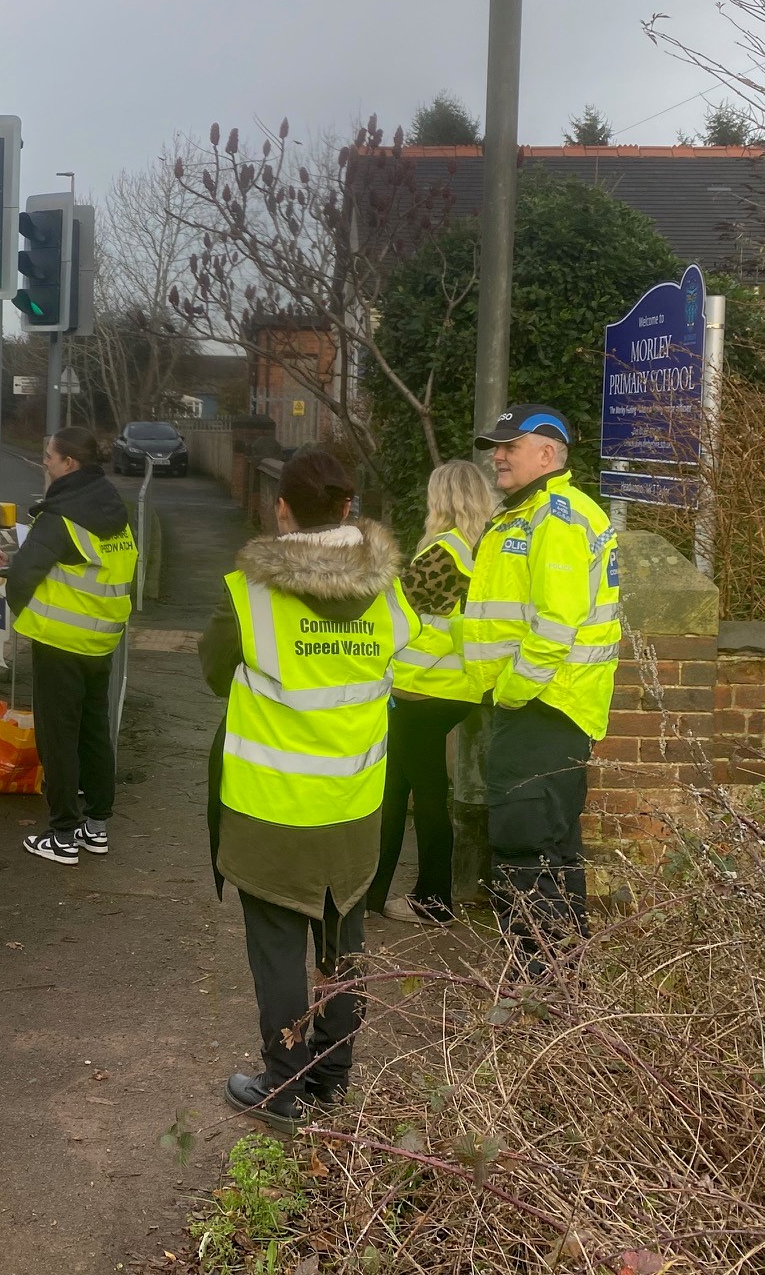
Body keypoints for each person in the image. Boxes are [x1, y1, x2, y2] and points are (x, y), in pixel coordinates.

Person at [197, 448, 406, 1129]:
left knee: (279, 948)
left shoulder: (248, 594)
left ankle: (283, 1086)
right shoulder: (388, 592)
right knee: (345, 943)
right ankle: (334, 1077)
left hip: (271, 812)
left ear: (281, 509)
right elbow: (405, 652)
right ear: (348, 508)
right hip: (352, 807)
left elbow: (211, 671)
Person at [462, 403, 621, 971]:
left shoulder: (554, 516)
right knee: (550, 851)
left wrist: (509, 691)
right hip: (541, 708)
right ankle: (562, 997)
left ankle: (540, 992)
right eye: (495, 447)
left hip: (543, 708)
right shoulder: (527, 513)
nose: (497, 456)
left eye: (510, 446)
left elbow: (555, 625)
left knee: (526, 850)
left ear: (548, 453)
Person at [0, 425, 137, 866]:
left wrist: (24, 610)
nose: (45, 465)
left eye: (49, 459)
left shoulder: (61, 516)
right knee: (94, 731)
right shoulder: (111, 505)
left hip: (60, 642)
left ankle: (61, 834)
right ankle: (96, 827)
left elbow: (23, 578)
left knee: (58, 737)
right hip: (102, 638)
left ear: (69, 464)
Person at [370, 459, 498, 925]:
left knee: (422, 792)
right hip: (457, 688)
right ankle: (375, 889)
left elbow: (398, 620)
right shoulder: (485, 549)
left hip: (420, 691)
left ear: (440, 499)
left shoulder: (443, 552)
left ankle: (434, 900)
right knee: (400, 785)